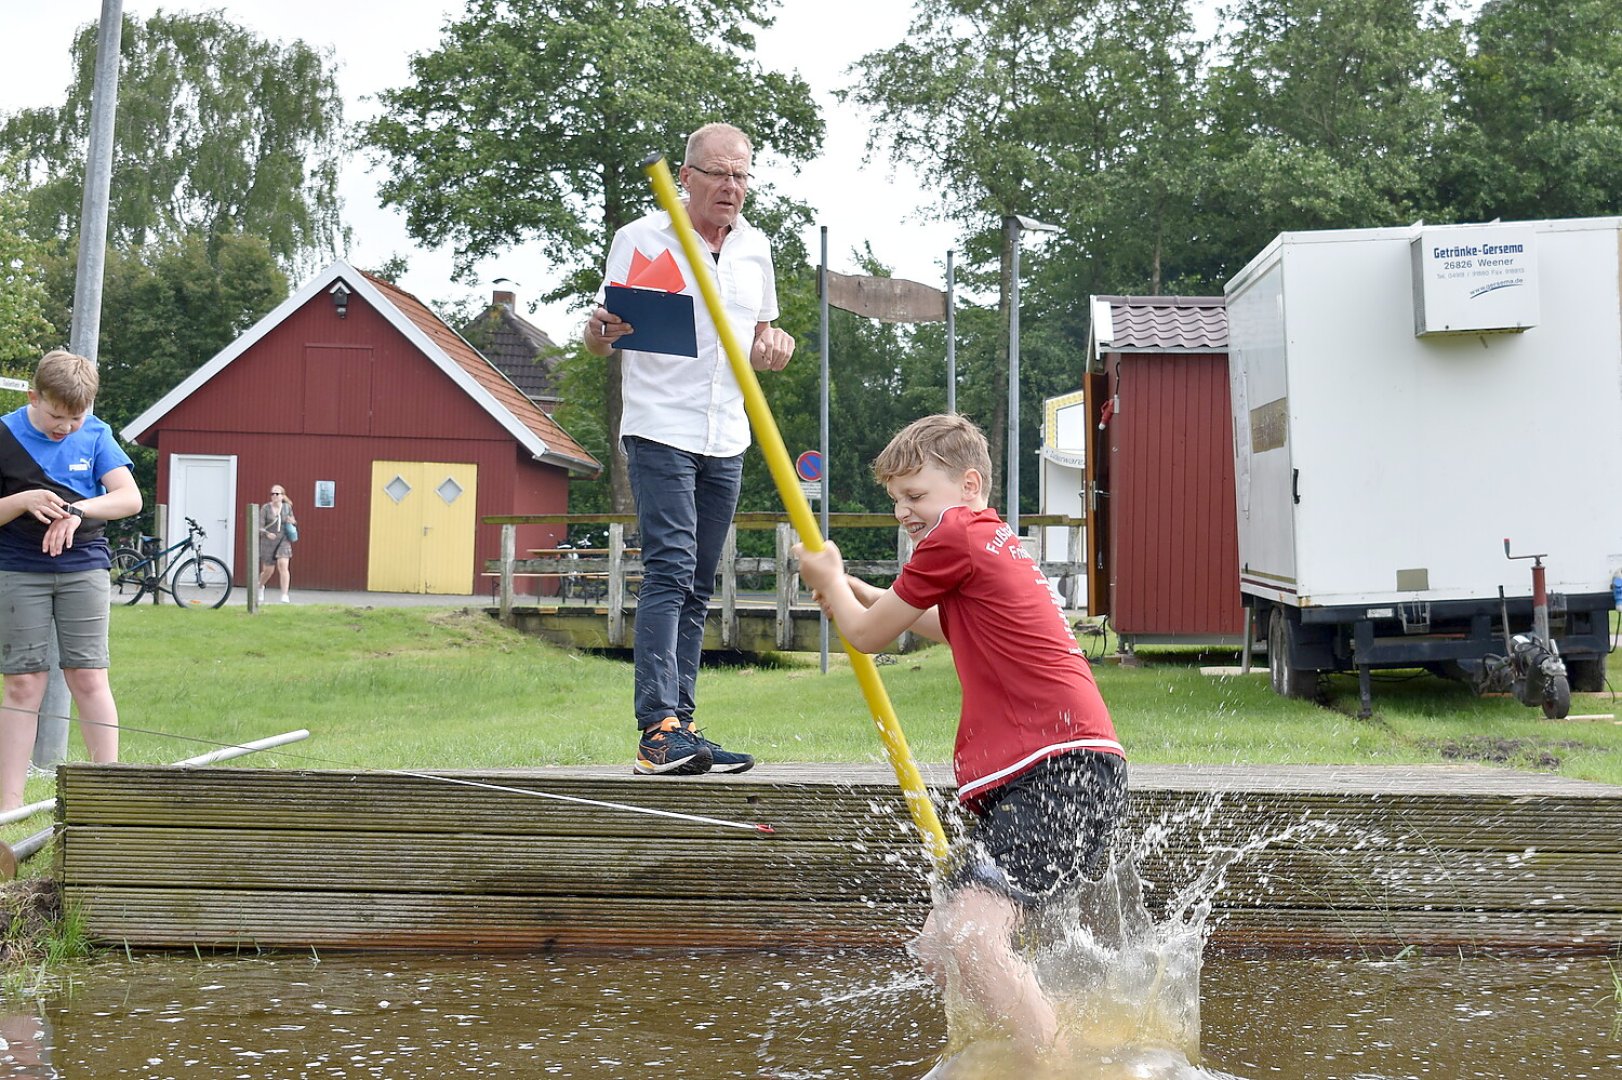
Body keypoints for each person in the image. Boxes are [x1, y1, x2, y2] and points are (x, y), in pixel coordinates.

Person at [793, 413, 1127, 1062]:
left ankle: (1057, 1068)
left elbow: (867, 636)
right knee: (941, 946)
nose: (902, 513)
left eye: (915, 495)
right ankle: (1016, 1053)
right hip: (1070, 771)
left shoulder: (953, 537)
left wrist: (831, 577)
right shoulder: (989, 538)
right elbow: (950, 630)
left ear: (968, 484)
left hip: (1056, 771)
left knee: (971, 935)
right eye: (896, 500)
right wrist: (857, 591)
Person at [583, 122, 795, 777]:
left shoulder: (756, 247)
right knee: (670, 568)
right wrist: (598, 331)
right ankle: (656, 732)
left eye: (741, 175)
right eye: (718, 174)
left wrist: (775, 348)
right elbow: (600, 338)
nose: (731, 187)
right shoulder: (641, 239)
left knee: (699, 582)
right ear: (687, 177)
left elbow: (764, 336)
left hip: (726, 432)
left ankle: (686, 727)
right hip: (659, 426)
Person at [0, 350, 142, 812]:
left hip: (83, 567)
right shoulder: (4, 434)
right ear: (33, 396)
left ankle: (106, 796)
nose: (65, 428)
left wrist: (79, 511)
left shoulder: (97, 435)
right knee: (24, 685)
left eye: (76, 418)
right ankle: (9, 806)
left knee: (88, 675)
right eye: (56, 417)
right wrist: (22, 500)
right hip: (18, 570)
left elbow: (128, 499)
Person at [257, 484, 297, 603]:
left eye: (277, 494)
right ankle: (260, 586)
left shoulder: (287, 508)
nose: (274, 496)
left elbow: (293, 521)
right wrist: (266, 533)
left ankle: (284, 594)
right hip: (268, 541)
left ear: (282, 496)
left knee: (283, 565)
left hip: (283, 539)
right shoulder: (265, 508)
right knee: (268, 570)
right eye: (272, 494)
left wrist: (292, 521)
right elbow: (260, 526)